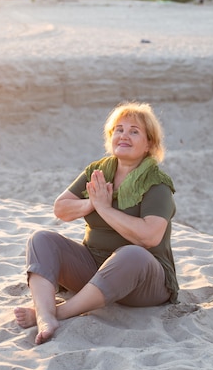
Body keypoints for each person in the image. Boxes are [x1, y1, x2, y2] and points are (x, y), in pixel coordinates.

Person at [14, 102, 179, 345]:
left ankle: (55, 312)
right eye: (119, 129)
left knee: (132, 253)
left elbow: (149, 237)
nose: (124, 135)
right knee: (41, 239)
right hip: (94, 269)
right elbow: (61, 209)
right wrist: (90, 204)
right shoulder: (98, 172)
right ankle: (46, 314)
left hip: (144, 282)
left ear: (150, 144)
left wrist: (104, 208)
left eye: (134, 131)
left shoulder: (157, 184)